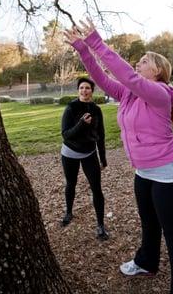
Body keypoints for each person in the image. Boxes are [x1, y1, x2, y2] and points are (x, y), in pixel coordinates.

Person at [64, 18, 173, 294]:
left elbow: (127, 76)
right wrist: (82, 50)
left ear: (158, 70)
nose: (138, 63)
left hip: (170, 172)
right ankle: (147, 262)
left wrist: (95, 41)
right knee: (148, 221)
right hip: (143, 171)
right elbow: (102, 79)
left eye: (144, 60)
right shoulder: (130, 94)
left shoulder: (160, 93)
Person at [60, 76, 109, 240]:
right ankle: (68, 212)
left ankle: (101, 225)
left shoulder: (96, 110)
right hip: (70, 153)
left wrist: (103, 158)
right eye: (81, 88)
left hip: (89, 153)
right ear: (78, 90)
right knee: (71, 183)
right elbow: (65, 135)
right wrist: (81, 124)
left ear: (92, 91)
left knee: (96, 188)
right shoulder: (71, 108)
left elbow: (101, 135)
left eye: (87, 88)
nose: (84, 90)